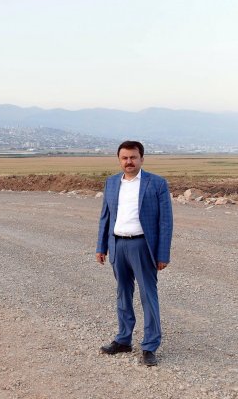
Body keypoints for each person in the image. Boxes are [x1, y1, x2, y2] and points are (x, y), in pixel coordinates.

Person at [96, 140, 173, 366]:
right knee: (122, 294)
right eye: (124, 158)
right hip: (118, 245)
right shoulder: (111, 183)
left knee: (148, 296)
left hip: (143, 246)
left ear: (141, 158)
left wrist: (162, 254)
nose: (128, 162)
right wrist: (101, 247)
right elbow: (105, 217)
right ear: (119, 160)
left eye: (133, 157)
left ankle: (149, 346)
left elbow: (165, 222)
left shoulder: (156, 183)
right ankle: (123, 339)